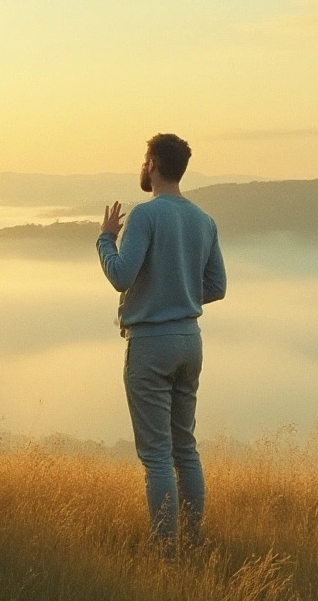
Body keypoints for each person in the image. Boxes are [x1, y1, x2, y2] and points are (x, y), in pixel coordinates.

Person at [96, 133, 227, 550]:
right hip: (191, 340)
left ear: (152, 164)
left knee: (156, 457)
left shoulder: (145, 216)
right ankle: (194, 540)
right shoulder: (204, 220)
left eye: (143, 159)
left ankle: (165, 552)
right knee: (184, 449)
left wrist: (104, 239)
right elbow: (217, 286)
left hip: (151, 344)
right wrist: (180, 293)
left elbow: (120, 275)